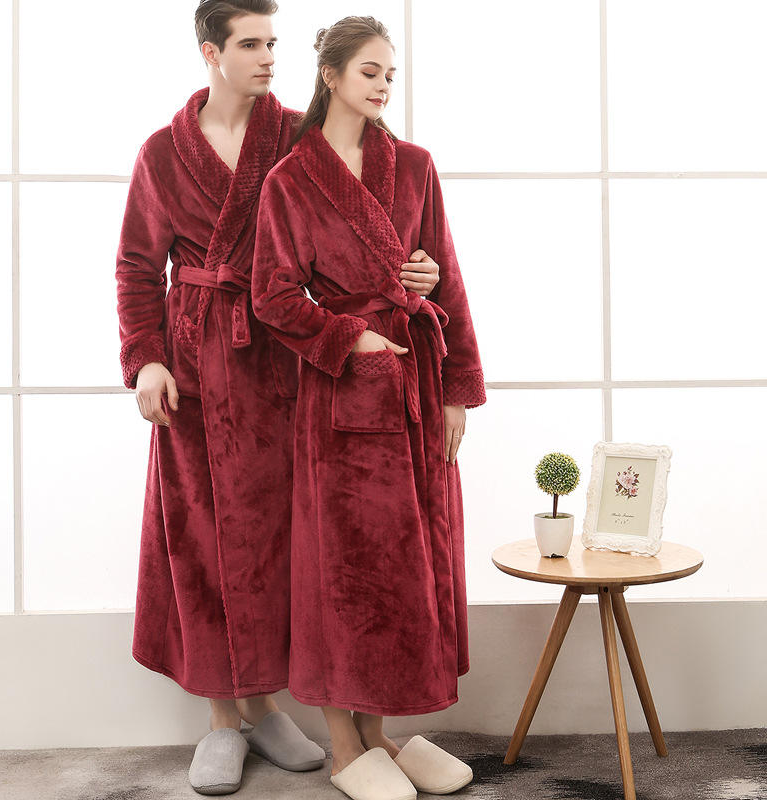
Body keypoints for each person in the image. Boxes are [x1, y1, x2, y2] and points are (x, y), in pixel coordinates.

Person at [115, 2, 442, 794]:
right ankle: (225, 719)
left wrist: (417, 270)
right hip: (198, 363)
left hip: (293, 361)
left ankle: (272, 708)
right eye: (251, 44)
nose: (268, 57)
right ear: (210, 52)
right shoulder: (161, 153)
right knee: (206, 533)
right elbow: (136, 266)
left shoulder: (300, 137)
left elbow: (368, 222)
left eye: (273, 43)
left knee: (287, 540)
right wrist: (146, 359)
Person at [251, 16, 486, 800]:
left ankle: (381, 735)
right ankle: (346, 745)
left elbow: (447, 278)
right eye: (370, 71)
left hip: (416, 385)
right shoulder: (291, 180)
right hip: (342, 396)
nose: (384, 85)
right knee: (344, 569)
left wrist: (456, 390)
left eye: (391, 73)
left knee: (402, 569)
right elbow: (272, 296)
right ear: (330, 75)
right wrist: (350, 336)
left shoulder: (414, 166)